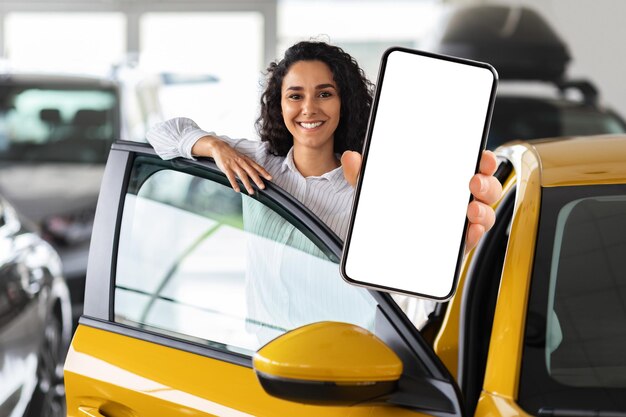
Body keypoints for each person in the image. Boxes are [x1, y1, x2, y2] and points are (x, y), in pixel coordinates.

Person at [147, 40, 501, 341]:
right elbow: (162, 133)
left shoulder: (368, 187)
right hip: (261, 358)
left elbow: (402, 302)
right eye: (295, 96)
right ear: (279, 104)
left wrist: (443, 251)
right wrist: (214, 146)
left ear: (343, 101)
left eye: (324, 94)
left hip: (344, 363)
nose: (309, 109)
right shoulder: (257, 161)